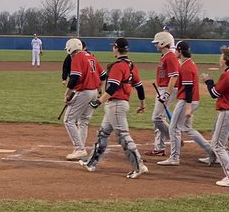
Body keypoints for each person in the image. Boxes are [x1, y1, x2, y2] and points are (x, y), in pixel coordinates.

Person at [80, 37, 148, 178]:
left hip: (116, 104)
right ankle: (91, 163)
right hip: (118, 104)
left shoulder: (117, 66)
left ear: (116, 48)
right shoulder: (130, 65)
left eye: (113, 47)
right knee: (103, 133)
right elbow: (139, 87)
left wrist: (98, 101)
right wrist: (142, 103)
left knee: (123, 135)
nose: (113, 49)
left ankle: (139, 166)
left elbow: (113, 87)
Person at [157, 40, 212, 167]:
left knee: (174, 128)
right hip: (192, 100)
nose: (174, 52)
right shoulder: (189, 64)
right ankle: (212, 152)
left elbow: (188, 89)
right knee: (187, 128)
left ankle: (174, 158)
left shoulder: (186, 67)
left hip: (187, 101)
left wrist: (187, 107)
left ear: (180, 51)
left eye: (176, 50)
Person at [200, 47, 229, 187]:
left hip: (228, 110)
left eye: (221, 56)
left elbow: (214, 93)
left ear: (226, 59)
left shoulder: (228, 75)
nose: (220, 59)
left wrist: (208, 81)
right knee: (218, 144)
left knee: (217, 145)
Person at [62, 38, 101, 160]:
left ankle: (79, 149)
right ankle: (80, 147)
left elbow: (75, 78)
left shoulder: (77, 58)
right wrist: (100, 90)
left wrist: (67, 94)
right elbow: (103, 75)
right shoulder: (91, 56)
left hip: (84, 91)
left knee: (68, 120)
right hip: (94, 91)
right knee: (83, 121)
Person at [146, 30, 179, 157]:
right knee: (158, 119)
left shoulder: (170, 57)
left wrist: (167, 93)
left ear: (163, 43)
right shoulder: (165, 56)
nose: (155, 45)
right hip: (162, 88)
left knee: (157, 118)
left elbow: (174, 76)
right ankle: (159, 147)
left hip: (167, 89)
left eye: (157, 43)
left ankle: (174, 138)